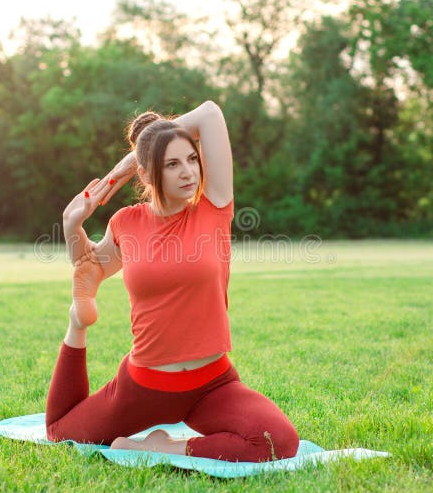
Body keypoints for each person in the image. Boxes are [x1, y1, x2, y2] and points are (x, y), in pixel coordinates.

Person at [45, 101, 299, 462]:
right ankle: (76, 325)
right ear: (149, 175)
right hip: (143, 386)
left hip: (212, 385)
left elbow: (210, 113)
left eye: (192, 159)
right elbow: (89, 269)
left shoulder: (214, 207)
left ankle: (161, 446)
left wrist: (125, 165)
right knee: (60, 432)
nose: (188, 172)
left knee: (278, 442)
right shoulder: (126, 223)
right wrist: (72, 227)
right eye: (172, 164)